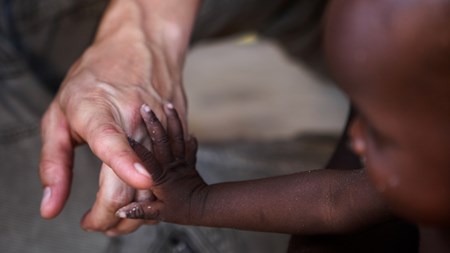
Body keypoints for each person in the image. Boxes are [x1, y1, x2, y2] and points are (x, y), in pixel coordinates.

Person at [113, 0, 450, 252]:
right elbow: (333, 201)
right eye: (358, 114)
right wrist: (197, 202)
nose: (354, 136)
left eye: (381, 133)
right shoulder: (418, 176)